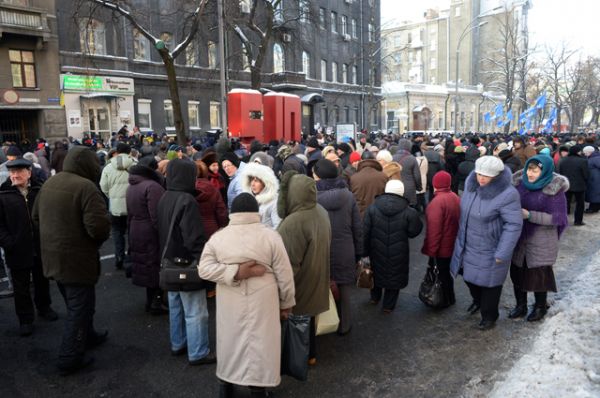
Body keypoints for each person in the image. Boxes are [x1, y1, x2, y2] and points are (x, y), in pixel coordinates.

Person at [198, 193, 295, 398]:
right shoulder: (270, 236)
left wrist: (233, 272)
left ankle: (226, 385)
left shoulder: (219, 237)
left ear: (233, 212)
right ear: (255, 211)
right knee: (261, 342)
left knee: (229, 340)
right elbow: (285, 274)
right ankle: (258, 390)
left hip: (229, 297)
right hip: (264, 298)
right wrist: (286, 303)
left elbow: (204, 269)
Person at [32, 146, 111, 375]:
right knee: (79, 307)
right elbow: (98, 228)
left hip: (52, 256)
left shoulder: (49, 182)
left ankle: (88, 336)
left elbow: (36, 217)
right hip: (76, 259)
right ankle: (69, 356)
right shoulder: (85, 187)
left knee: (77, 303)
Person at [450, 156, 523, 330]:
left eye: (487, 176)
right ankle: (478, 301)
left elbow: (513, 224)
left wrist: (502, 252)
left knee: (489, 284)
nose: (481, 178)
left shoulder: (508, 194)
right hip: (468, 243)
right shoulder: (472, 186)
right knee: (470, 278)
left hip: (491, 247)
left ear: (497, 176)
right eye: (479, 174)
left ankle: (490, 316)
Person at [157, 158, 214, 366]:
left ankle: (178, 343)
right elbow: (194, 237)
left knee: (175, 307)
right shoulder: (187, 200)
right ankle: (198, 351)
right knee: (195, 311)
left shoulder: (165, 197)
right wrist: (204, 259)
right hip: (187, 264)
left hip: (168, 262)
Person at [277, 171, 331, 366]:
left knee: (297, 322)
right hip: (318, 273)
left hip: (301, 282)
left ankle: (298, 358)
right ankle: (311, 354)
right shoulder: (321, 211)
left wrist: (283, 294)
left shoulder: (293, 222)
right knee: (308, 319)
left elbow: (288, 264)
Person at [0, 158, 58, 337]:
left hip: (40, 246)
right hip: (17, 249)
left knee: (42, 280)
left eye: (19, 172)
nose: (15, 175)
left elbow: (49, 216)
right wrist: (9, 242)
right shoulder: (3, 194)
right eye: (12, 172)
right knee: (21, 286)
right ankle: (25, 319)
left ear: (29, 173)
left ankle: (44, 307)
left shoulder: (39, 190)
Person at [510, 155, 569, 322]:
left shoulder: (554, 190)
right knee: (517, 272)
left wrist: (530, 215)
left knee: (538, 275)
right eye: (529, 169)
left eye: (535, 171)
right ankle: (520, 305)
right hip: (520, 237)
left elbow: (558, 218)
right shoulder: (519, 184)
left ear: (544, 171)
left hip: (541, 239)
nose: (530, 173)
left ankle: (540, 307)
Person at [313, 159, 363, 334]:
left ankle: (324, 322)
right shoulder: (347, 195)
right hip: (345, 248)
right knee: (344, 287)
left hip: (321, 248)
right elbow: (357, 226)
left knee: (321, 287)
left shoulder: (313, 197)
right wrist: (359, 252)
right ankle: (345, 325)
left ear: (318, 176)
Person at [363, 180, 423, 313]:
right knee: (395, 274)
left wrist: (363, 252)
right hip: (399, 250)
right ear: (402, 192)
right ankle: (388, 306)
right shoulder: (409, 211)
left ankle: (374, 297)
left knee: (375, 272)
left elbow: (365, 232)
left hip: (375, 249)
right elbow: (414, 231)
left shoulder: (372, 208)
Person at [126, 157, 166, 314]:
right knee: (153, 264)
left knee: (145, 265)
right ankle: (156, 302)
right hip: (149, 231)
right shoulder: (152, 186)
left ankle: (150, 301)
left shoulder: (132, 186)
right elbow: (156, 215)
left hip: (136, 228)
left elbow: (129, 213)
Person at [421, 171, 460, 307]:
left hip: (442, 247)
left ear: (435, 184)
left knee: (440, 275)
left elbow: (434, 231)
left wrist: (431, 251)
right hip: (452, 244)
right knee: (446, 274)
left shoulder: (437, 202)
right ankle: (450, 298)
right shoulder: (454, 197)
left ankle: (442, 300)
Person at [100, 142, 137, 269]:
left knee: (117, 232)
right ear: (129, 152)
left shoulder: (108, 167)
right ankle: (133, 257)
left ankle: (119, 257)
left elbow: (103, 186)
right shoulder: (135, 165)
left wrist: (111, 196)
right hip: (133, 205)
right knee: (133, 232)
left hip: (115, 207)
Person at [240, 162, 282, 229]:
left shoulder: (274, 202)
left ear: (265, 183)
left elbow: (278, 227)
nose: (252, 184)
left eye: (256, 181)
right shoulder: (251, 200)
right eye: (251, 180)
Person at [557, 145, 589, 226]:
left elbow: (559, 172)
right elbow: (586, 175)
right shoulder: (582, 161)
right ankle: (578, 221)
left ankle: (562, 220)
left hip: (566, 185)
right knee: (580, 204)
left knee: (565, 203)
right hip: (579, 186)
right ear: (578, 152)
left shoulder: (563, 160)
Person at [350, 152, 388, 218]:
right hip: (380, 215)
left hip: (361, 216)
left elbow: (354, 199)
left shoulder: (354, 178)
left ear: (361, 161)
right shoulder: (384, 176)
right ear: (374, 160)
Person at [392, 139, 422, 207]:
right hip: (409, 188)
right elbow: (417, 176)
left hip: (396, 187)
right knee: (410, 208)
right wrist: (419, 187)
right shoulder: (412, 159)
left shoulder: (392, 158)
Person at [582, 146, 600, 213]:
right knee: (595, 194)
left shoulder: (595, 158)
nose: (584, 154)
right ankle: (594, 207)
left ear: (589, 152)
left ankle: (593, 208)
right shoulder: (594, 157)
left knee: (594, 194)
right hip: (594, 179)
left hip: (595, 180)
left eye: (585, 153)